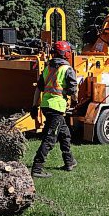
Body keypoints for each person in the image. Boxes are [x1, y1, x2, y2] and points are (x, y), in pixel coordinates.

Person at [30, 41, 78, 178]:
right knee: (50, 138)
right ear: (66, 53)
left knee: (65, 134)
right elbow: (73, 91)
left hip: (46, 106)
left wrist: (34, 106)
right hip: (56, 108)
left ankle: (69, 162)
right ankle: (37, 168)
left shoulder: (48, 68)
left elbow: (38, 88)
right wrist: (75, 101)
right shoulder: (68, 70)